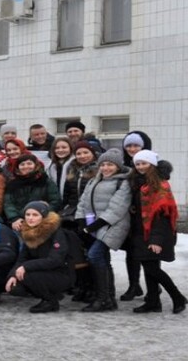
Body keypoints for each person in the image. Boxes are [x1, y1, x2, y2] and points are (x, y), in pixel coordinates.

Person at [75, 148, 132, 312]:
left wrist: (93, 226)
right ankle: (108, 298)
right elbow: (83, 201)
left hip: (112, 226)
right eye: (103, 164)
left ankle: (103, 298)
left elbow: (117, 209)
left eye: (110, 165)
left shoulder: (123, 182)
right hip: (93, 225)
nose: (106, 168)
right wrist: (81, 221)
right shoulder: (94, 180)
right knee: (102, 259)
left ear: (118, 167)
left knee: (95, 255)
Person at [129, 150, 186, 314]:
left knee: (153, 268)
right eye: (137, 164)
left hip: (155, 233)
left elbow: (162, 216)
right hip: (141, 231)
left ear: (152, 165)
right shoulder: (140, 182)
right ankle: (153, 302)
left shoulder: (160, 185)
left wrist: (156, 240)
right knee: (149, 267)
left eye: (144, 163)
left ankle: (177, 296)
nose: (140, 167)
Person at [6, 201, 73, 313]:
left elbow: (55, 260)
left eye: (35, 215)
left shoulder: (56, 232)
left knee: (27, 275)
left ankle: (50, 301)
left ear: (43, 216)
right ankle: (49, 294)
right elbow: (22, 258)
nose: (30, 218)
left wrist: (25, 267)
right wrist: (12, 275)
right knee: (14, 287)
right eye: (28, 215)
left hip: (61, 274)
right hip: (40, 272)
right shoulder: (29, 232)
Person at [60, 140, 99, 303]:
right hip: (73, 215)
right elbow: (69, 195)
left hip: (92, 216)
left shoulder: (99, 169)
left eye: (86, 152)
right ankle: (82, 286)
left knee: (93, 254)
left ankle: (95, 288)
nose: (82, 156)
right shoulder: (72, 169)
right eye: (79, 153)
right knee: (77, 254)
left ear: (93, 154)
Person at [119, 130, 153, 301]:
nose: (132, 149)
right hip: (128, 218)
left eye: (136, 145)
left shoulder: (152, 165)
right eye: (129, 146)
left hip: (147, 218)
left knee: (148, 255)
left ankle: (153, 290)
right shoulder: (124, 166)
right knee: (131, 253)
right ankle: (134, 286)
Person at [3, 153, 61, 232]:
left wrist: (42, 214)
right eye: (22, 164)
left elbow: (55, 201)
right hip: (20, 222)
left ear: (36, 165)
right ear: (18, 167)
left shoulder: (45, 181)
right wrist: (14, 218)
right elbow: (8, 203)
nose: (26, 166)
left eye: (29, 163)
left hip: (43, 220)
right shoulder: (12, 184)